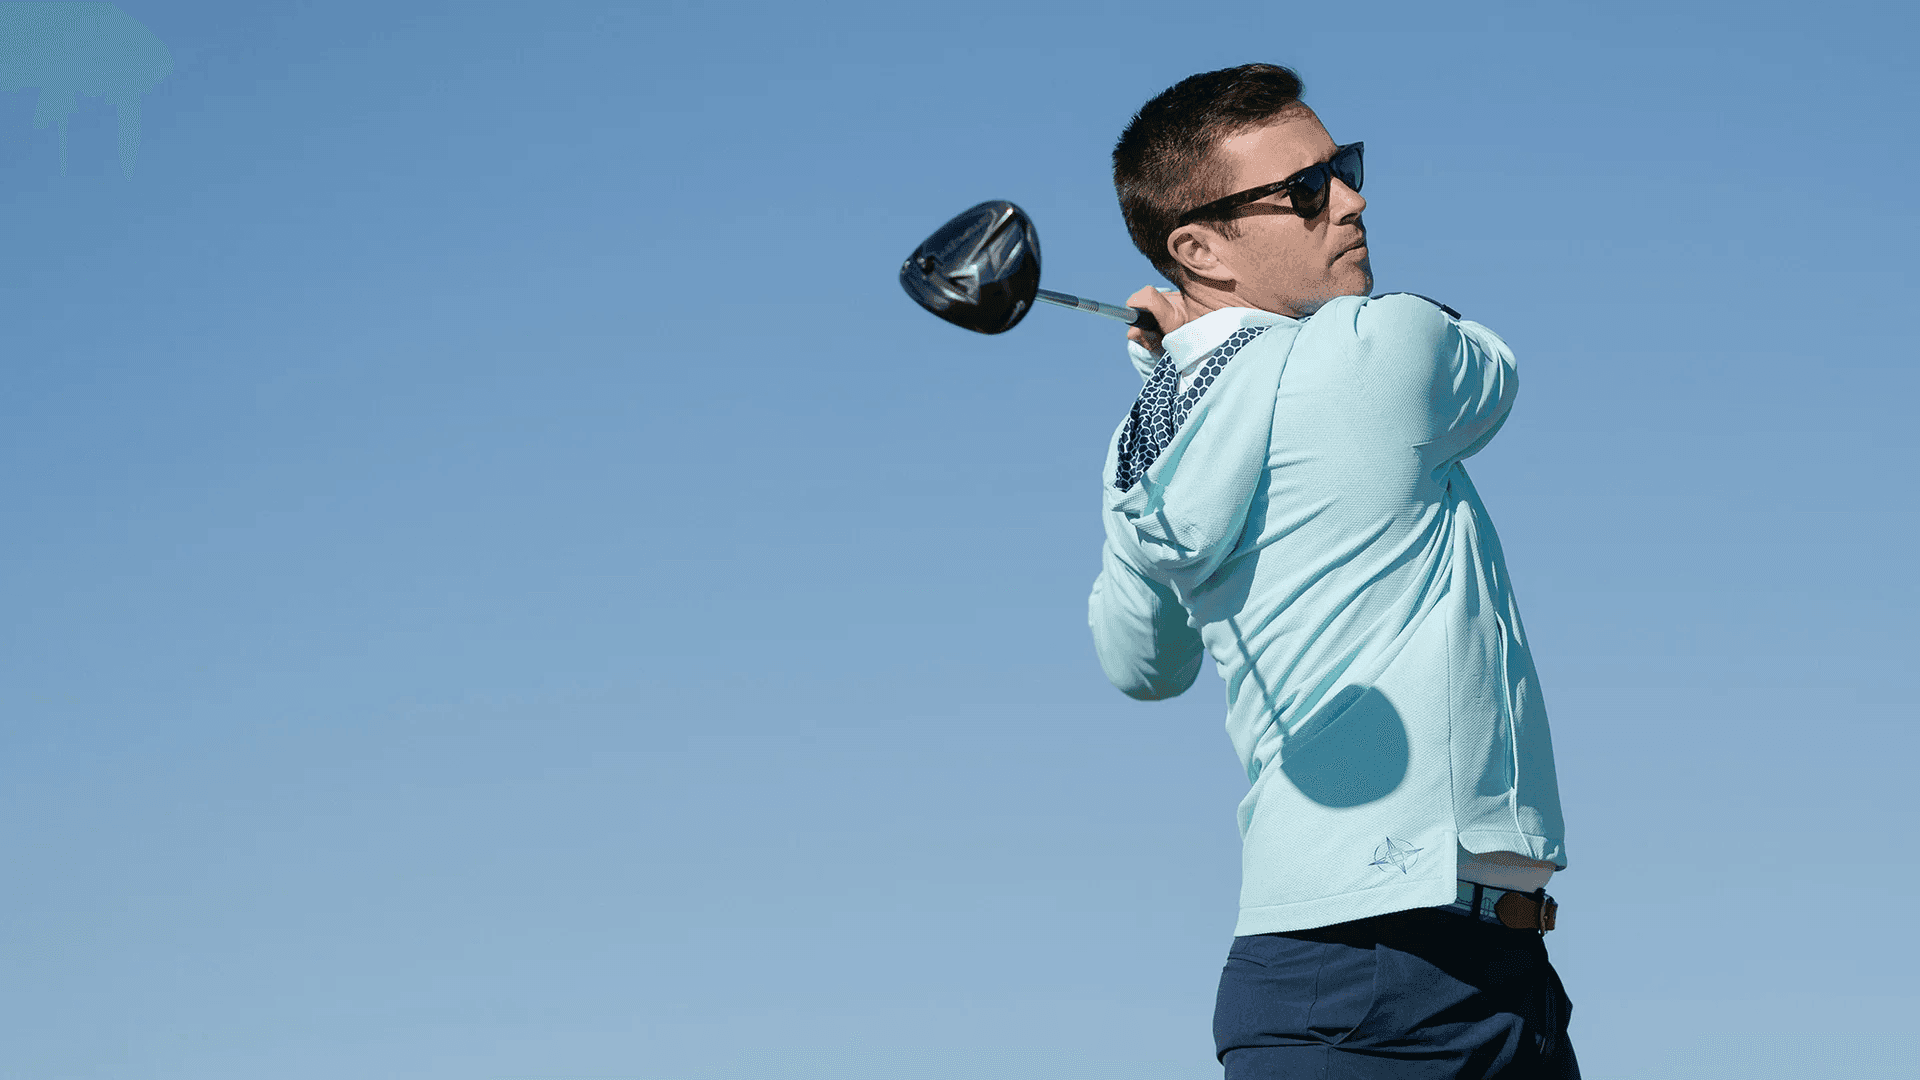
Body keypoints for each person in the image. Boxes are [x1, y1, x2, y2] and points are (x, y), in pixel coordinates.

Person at [1088, 63, 1579, 1078]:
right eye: (1306, 189)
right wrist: (1214, 355)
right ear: (1197, 249)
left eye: (1344, 167)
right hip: (1366, 983)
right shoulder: (1378, 342)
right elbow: (1490, 365)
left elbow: (1142, 663)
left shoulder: (1142, 448)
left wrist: (1179, 376)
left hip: (1468, 979)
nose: (1350, 201)